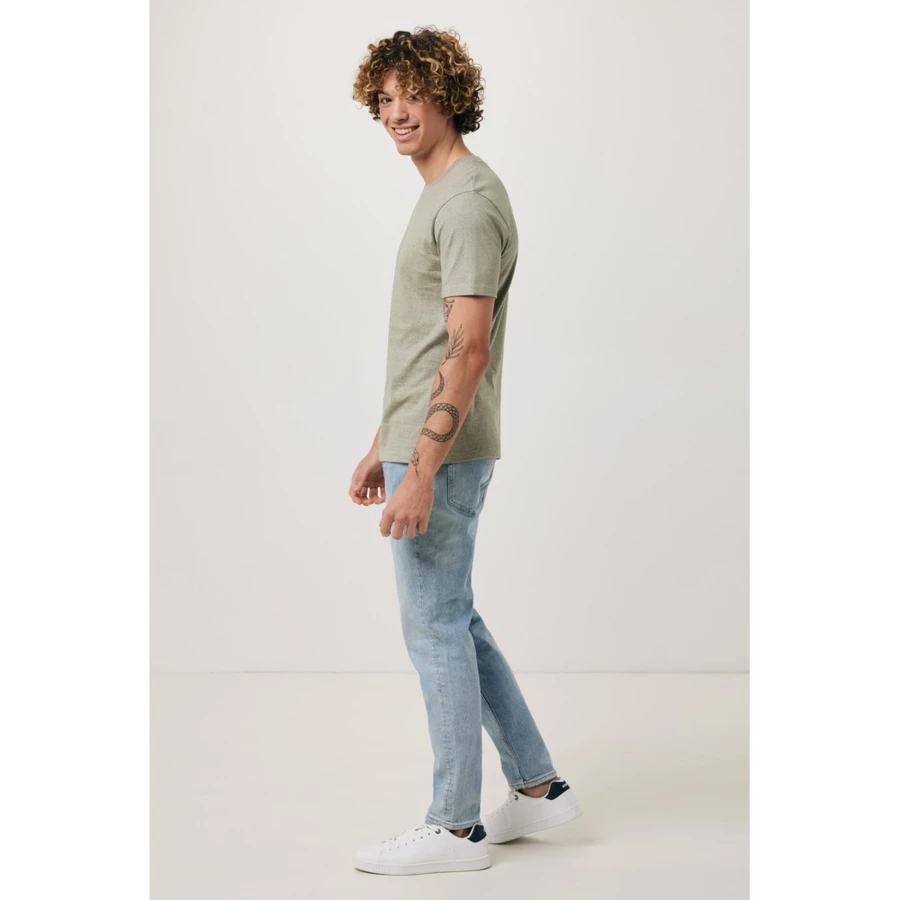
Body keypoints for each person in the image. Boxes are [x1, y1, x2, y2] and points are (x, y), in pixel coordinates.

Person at [348, 27, 582, 876]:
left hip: (441, 455)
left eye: (412, 92)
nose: (396, 111)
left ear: (449, 94)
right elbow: (427, 343)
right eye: (384, 97)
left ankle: (453, 829)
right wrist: (384, 442)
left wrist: (422, 469)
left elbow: (468, 348)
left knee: (435, 628)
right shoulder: (446, 194)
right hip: (421, 443)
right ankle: (539, 787)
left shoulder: (468, 202)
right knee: (455, 619)